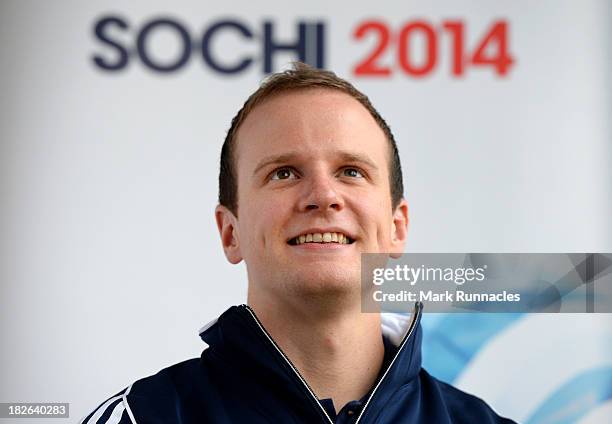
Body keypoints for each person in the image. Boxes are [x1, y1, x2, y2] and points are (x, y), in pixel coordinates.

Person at [82, 63, 515, 423]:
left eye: (351, 171)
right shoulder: (144, 417)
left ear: (397, 227)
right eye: (284, 172)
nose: (324, 196)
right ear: (230, 233)